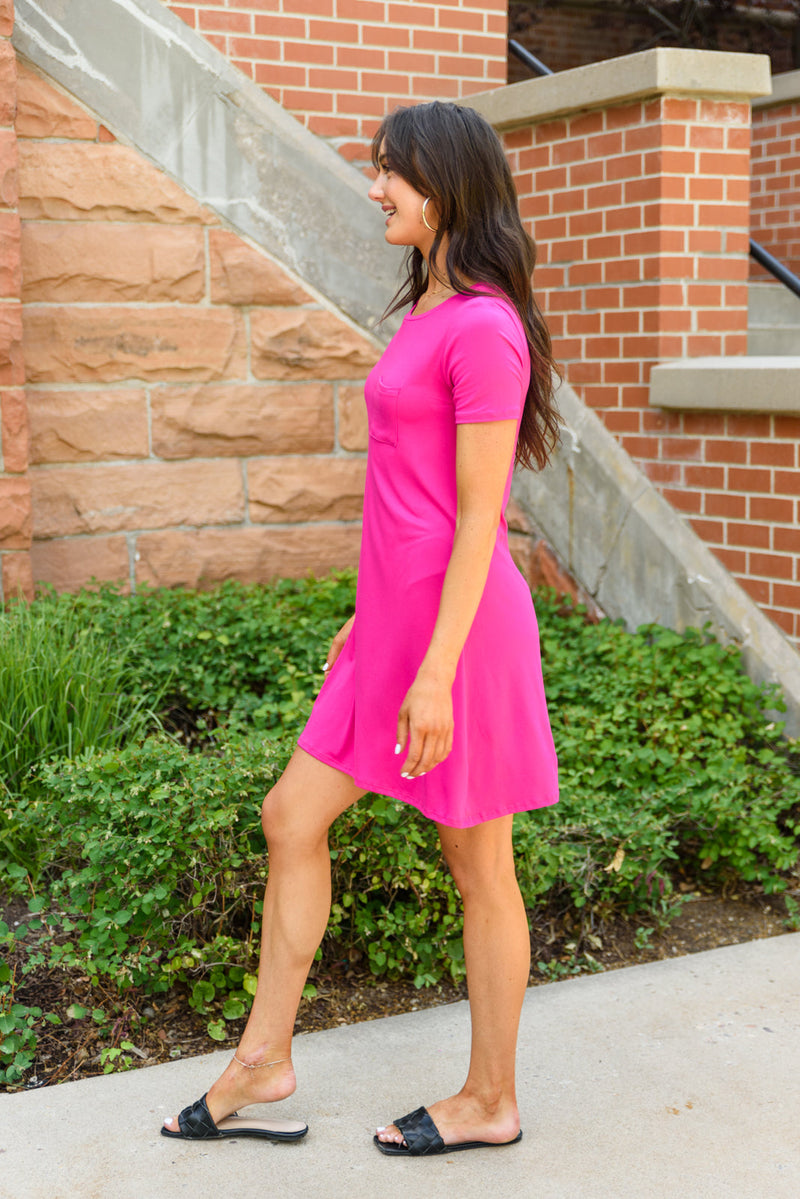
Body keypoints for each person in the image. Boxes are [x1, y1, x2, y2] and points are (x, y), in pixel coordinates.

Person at [162, 100, 560, 1156]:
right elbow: (408, 492)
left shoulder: (482, 324)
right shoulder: (429, 307)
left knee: (480, 865)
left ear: (449, 186)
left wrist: (432, 671)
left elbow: (480, 516)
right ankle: (264, 1055)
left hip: (457, 639)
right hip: (392, 629)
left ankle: (490, 1096)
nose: (375, 187)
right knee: (291, 814)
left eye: (393, 172)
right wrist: (365, 615)